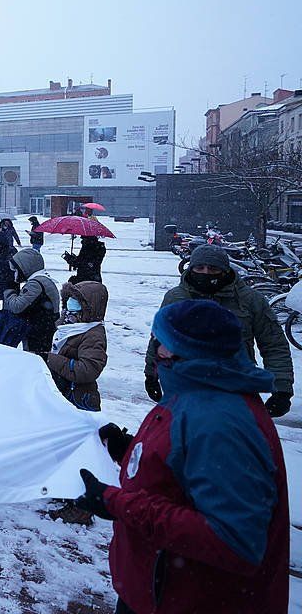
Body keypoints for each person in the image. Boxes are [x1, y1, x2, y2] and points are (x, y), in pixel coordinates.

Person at [75, 300, 288, 614]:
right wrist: (130, 450)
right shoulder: (195, 391)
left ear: (187, 352)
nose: (156, 349)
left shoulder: (222, 423)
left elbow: (234, 540)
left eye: (163, 343)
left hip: (188, 598)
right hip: (155, 589)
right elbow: (184, 467)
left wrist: (117, 503)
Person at [144, 244, 293, 416]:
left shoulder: (250, 300)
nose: (205, 273)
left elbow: (273, 344)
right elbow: (160, 340)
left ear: (224, 271)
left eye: (213, 269)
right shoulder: (176, 298)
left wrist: (281, 389)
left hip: (236, 388)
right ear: (191, 268)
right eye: (200, 267)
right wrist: (152, 373)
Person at [45, 281, 108, 411]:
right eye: (70, 298)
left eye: (76, 301)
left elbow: (87, 370)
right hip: (62, 390)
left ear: (89, 307)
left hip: (77, 398)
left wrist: (50, 359)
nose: (70, 304)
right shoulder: (69, 325)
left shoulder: (93, 334)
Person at [1, 247, 60, 354]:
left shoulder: (35, 284)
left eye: (16, 270)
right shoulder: (43, 279)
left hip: (38, 334)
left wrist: (9, 290)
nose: (15, 273)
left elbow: (16, 307)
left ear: (25, 267)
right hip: (44, 330)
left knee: (37, 362)